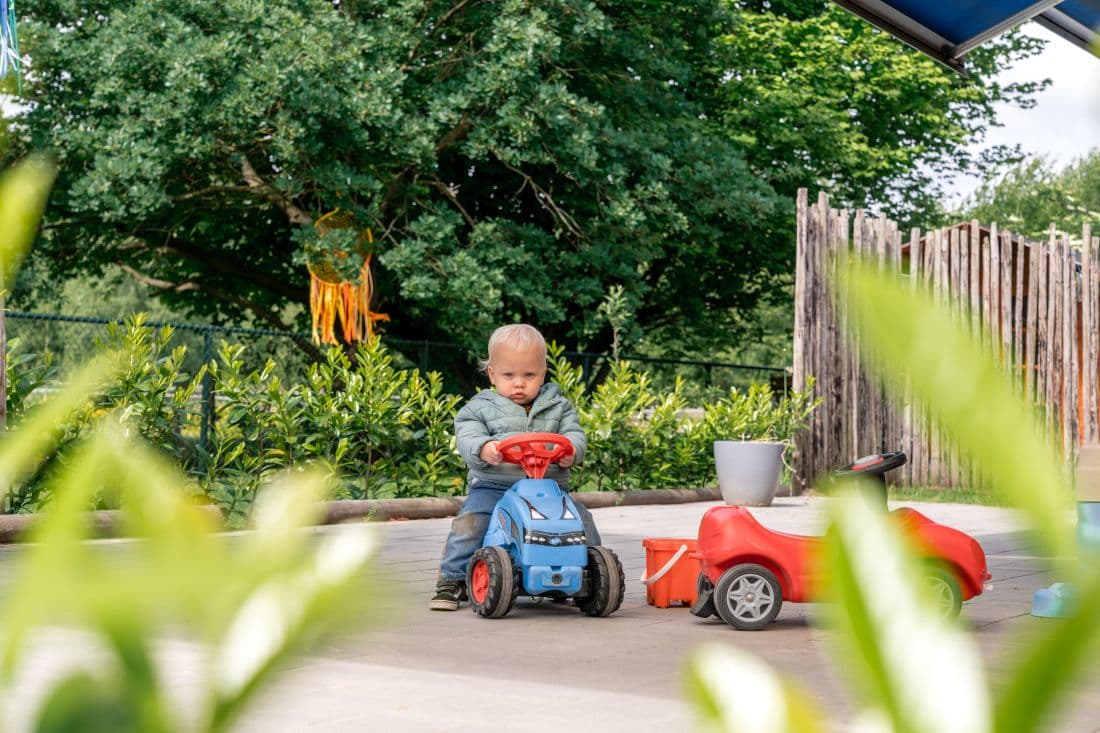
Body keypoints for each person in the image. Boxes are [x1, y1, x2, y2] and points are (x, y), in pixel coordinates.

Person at [429, 323, 601, 611]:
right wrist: (484, 448)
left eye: (529, 375)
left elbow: (574, 434)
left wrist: (572, 450)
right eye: (509, 375)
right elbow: (467, 434)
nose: (519, 383)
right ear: (492, 374)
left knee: (581, 520)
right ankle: (451, 578)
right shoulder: (480, 407)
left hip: (549, 491)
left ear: (543, 373)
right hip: (495, 486)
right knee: (471, 523)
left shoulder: (558, 406)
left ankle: (589, 571)